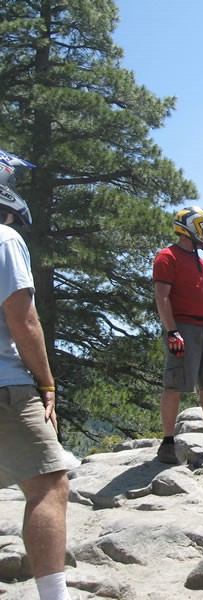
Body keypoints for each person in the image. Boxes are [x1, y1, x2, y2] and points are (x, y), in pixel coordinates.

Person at [0, 149, 72, 600]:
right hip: (6, 383)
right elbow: (23, 321)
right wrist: (46, 383)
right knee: (49, 483)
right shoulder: (5, 239)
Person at [153, 206, 203, 464]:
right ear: (193, 227)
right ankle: (167, 444)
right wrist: (172, 331)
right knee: (175, 385)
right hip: (183, 328)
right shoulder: (167, 257)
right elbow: (162, 297)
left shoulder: (200, 261)